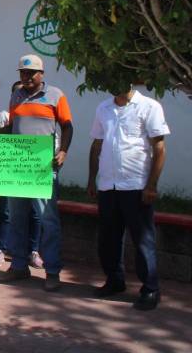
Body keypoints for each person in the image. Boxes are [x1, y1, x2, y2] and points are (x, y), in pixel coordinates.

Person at [0, 54, 74, 292]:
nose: (26, 77)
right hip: (18, 167)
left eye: (31, 73)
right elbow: (12, 128)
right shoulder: (16, 95)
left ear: (42, 74)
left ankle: (52, 271)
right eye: (22, 73)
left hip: (43, 168)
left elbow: (68, 126)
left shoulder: (56, 95)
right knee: (17, 218)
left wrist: (63, 151)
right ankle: (19, 266)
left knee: (48, 220)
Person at [87, 85, 169, 311]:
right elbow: (97, 145)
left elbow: (159, 147)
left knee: (143, 240)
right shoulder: (103, 108)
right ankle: (115, 280)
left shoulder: (149, 106)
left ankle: (150, 289)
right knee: (108, 238)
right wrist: (92, 178)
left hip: (136, 185)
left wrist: (151, 185)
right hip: (108, 185)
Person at [0, 81, 43, 270]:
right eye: (18, 93)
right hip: (10, 171)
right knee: (6, 211)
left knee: (35, 213)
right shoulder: (4, 116)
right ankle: (0, 250)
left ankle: (33, 251)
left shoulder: (41, 116)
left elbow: (52, 140)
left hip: (35, 172)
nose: (22, 96)